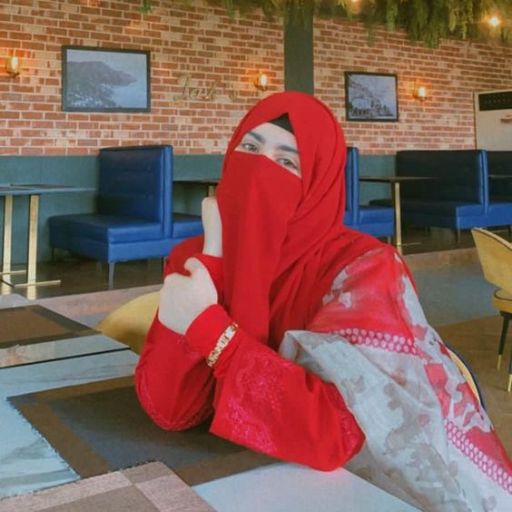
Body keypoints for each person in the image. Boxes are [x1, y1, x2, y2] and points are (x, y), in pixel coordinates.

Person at [135, 92, 512, 511]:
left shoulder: (362, 270)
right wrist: (217, 255)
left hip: (362, 488)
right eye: (251, 147)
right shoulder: (197, 255)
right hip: (240, 483)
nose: (260, 168)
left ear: (318, 182)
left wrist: (209, 329)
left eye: (287, 162)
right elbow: (171, 412)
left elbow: (333, 436)